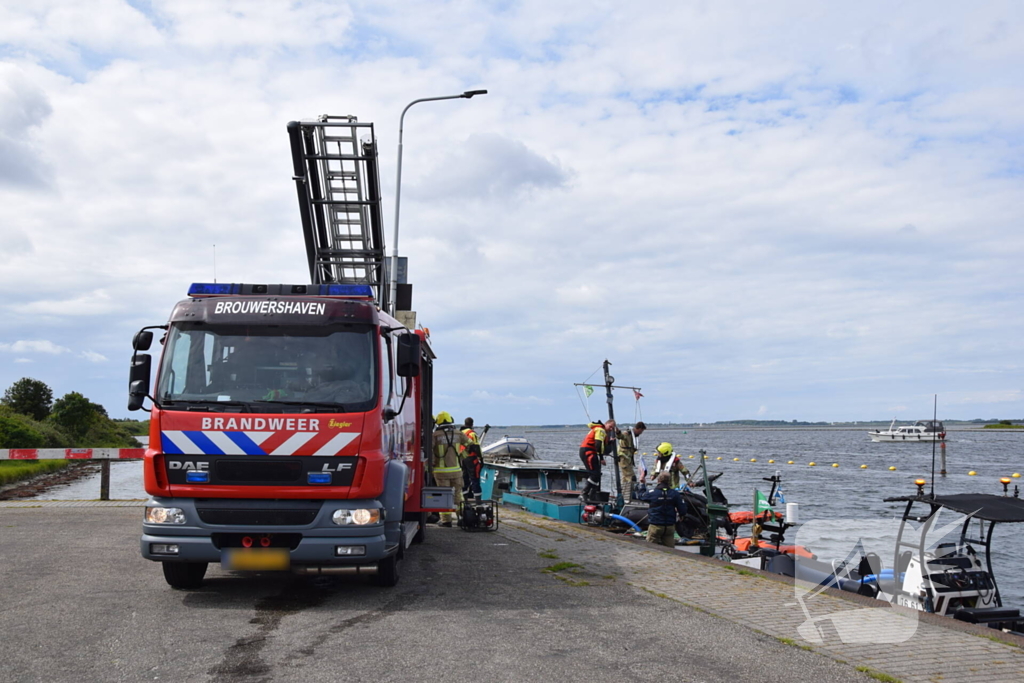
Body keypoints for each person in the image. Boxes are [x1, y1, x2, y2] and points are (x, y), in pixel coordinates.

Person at [432, 411, 471, 527]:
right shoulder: (458, 434)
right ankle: (463, 518)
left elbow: (429, 452)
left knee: (444, 496)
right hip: (457, 471)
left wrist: (430, 466)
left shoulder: (435, 436)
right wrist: (463, 456)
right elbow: (472, 446)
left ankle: (446, 521)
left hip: (440, 472)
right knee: (458, 495)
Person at [640, 472, 688, 547]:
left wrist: (643, 484)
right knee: (670, 549)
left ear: (658, 480)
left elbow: (641, 496)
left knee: (650, 548)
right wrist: (682, 515)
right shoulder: (675, 494)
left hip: (656, 526)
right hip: (669, 527)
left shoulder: (652, 493)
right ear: (669, 481)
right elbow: (682, 509)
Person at [616, 421, 647, 501]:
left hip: (628, 459)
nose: (641, 433)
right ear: (638, 428)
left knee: (625, 478)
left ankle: (623, 495)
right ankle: (631, 496)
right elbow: (621, 436)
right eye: (641, 431)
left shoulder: (633, 436)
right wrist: (618, 432)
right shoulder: (627, 434)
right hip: (624, 458)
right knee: (631, 477)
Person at [578, 420, 607, 502]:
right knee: (594, 474)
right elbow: (598, 444)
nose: (611, 429)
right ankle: (584, 493)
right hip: (589, 452)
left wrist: (601, 458)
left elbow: (600, 446)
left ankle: (592, 495)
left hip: (588, 452)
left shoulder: (596, 429)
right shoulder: (600, 430)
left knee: (597, 475)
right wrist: (599, 457)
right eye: (610, 427)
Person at [460, 417, 483, 501]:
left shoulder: (460, 433)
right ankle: (478, 501)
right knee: (475, 479)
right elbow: (476, 447)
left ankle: (465, 500)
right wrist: (481, 459)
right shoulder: (472, 434)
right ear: (472, 424)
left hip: (462, 458)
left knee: (465, 479)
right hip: (471, 458)